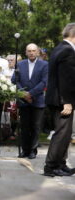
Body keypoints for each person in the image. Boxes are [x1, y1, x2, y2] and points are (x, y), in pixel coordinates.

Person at [43, 23, 75, 176]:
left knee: (65, 134)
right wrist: (67, 101)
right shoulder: (68, 50)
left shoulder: (59, 48)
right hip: (62, 100)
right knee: (61, 133)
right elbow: (65, 79)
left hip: (57, 98)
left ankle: (61, 164)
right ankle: (50, 166)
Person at [12, 43, 48, 159]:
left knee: (36, 126)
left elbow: (44, 82)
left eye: (33, 50)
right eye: (29, 51)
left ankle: (33, 150)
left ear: (37, 52)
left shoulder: (44, 64)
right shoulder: (20, 64)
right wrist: (23, 93)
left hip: (37, 100)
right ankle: (25, 150)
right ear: (26, 52)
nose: (31, 53)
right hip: (23, 101)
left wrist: (31, 94)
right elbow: (14, 80)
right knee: (24, 126)